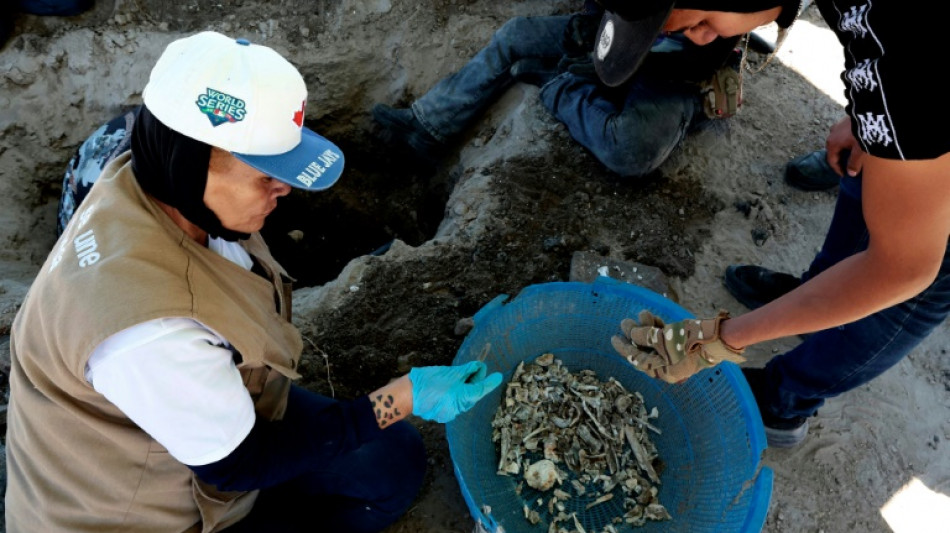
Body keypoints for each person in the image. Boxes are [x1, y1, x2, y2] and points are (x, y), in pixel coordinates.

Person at [4, 31, 503, 533]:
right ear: (189, 164)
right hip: (134, 513)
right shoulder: (150, 330)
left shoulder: (144, 184)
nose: (283, 189)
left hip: (187, 426)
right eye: (264, 174)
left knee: (389, 462)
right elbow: (238, 466)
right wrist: (404, 398)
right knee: (377, 462)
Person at [612, 0, 950, 449]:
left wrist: (715, 339)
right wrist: (869, 112)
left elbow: (902, 270)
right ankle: (815, 300)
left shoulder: (909, 62)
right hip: (912, 85)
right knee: (866, 168)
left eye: (700, 24)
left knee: (917, 285)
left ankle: (783, 403)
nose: (700, 39)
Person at [372, 0, 800, 177]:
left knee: (632, 147)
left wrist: (574, 80)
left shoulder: (712, 29)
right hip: (619, 38)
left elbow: (702, 46)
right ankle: (428, 127)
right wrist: (590, 25)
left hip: (675, 73)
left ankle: (557, 83)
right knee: (517, 34)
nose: (701, 30)